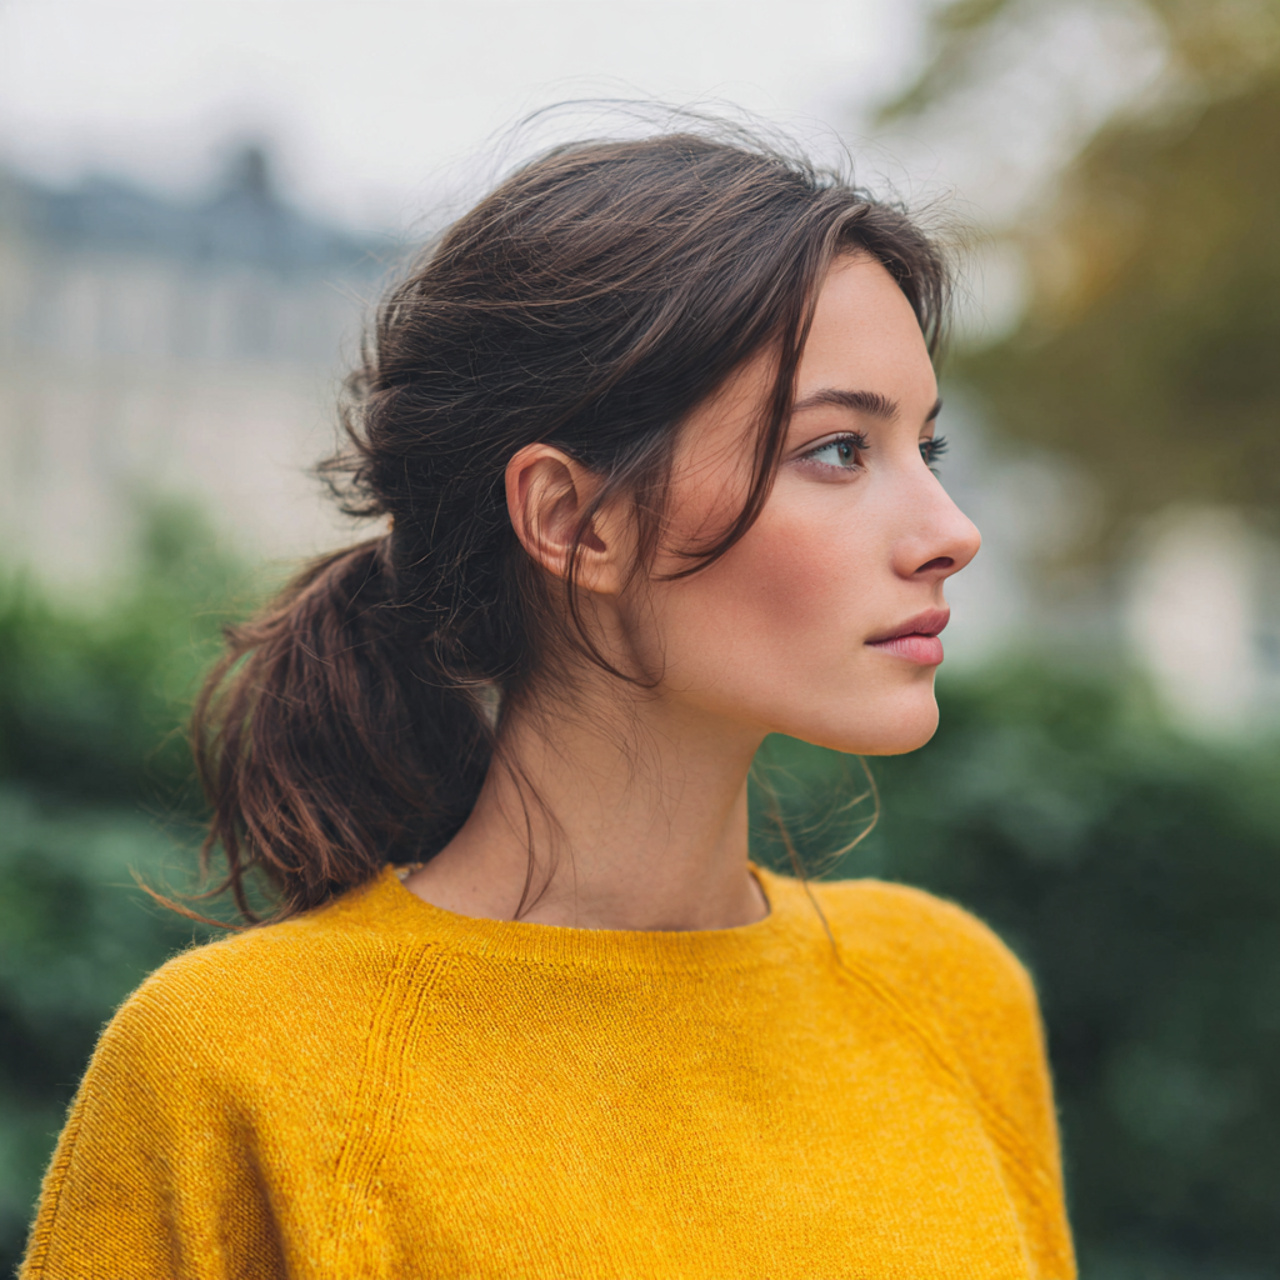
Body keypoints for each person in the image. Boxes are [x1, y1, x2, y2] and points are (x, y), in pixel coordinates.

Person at [20, 124, 1075, 1279]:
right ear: (573, 522)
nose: (949, 530)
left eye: (924, 446)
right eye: (835, 449)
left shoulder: (949, 990)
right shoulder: (237, 1065)